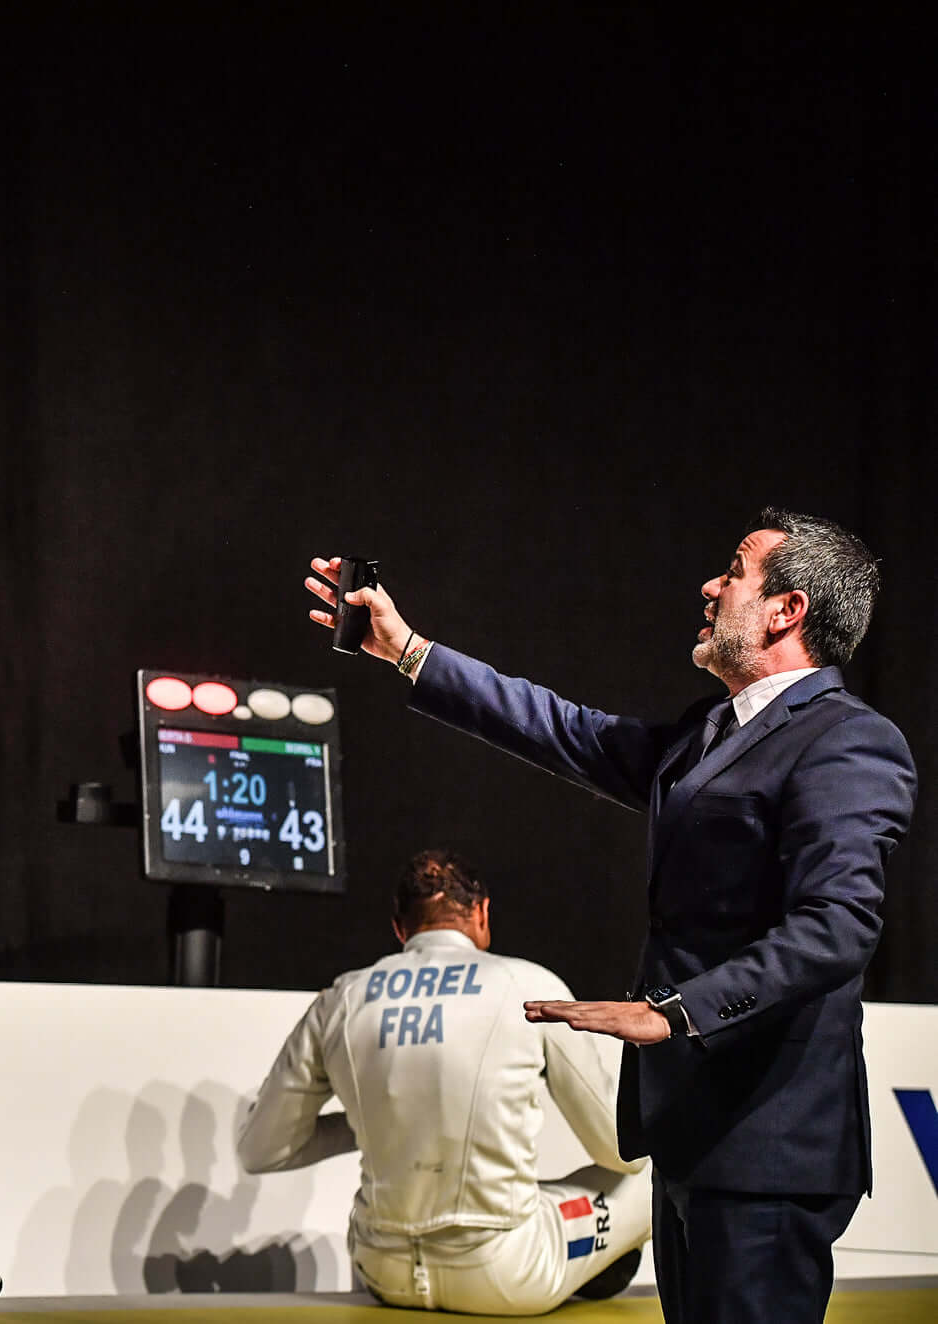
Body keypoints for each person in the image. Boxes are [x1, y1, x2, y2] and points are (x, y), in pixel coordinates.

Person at [304, 508, 918, 1323]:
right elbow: (566, 732)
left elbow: (838, 926)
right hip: (693, 1133)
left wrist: (677, 1013)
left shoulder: (849, 741)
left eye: (734, 570)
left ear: (787, 610)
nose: (711, 585)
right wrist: (411, 652)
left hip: (768, 1142)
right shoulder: (709, 732)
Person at [237, 849, 650, 1313]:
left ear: (400, 929)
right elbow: (620, 1149)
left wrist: (378, 1122)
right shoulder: (529, 986)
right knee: (655, 1171)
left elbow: (261, 1150)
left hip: (382, 1271)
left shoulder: (341, 999)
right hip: (508, 1273)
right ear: (482, 913)